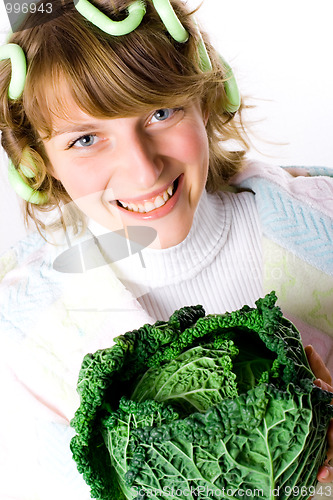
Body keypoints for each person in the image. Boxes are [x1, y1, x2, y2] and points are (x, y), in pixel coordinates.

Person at [0, 0, 332, 498]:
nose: (143, 169)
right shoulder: (32, 336)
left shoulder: (321, 228)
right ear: (36, 163)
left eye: (160, 111)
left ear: (207, 98)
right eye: (87, 138)